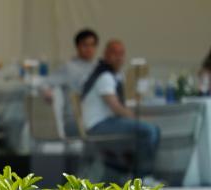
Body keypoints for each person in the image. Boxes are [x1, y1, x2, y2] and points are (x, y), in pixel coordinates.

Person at [80, 39, 161, 179]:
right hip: (99, 126)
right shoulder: (105, 76)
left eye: (121, 53)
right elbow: (115, 106)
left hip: (107, 123)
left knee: (150, 129)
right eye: (114, 53)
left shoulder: (113, 75)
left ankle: (131, 174)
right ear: (105, 55)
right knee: (148, 131)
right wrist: (137, 118)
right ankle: (142, 176)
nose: (118, 57)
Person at [49, 29, 99, 94]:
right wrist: (48, 91)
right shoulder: (69, 67)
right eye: (85, 45)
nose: (89, 48)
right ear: (77, 46)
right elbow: (47, 82)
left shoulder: (99, 67)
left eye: (92, 45)